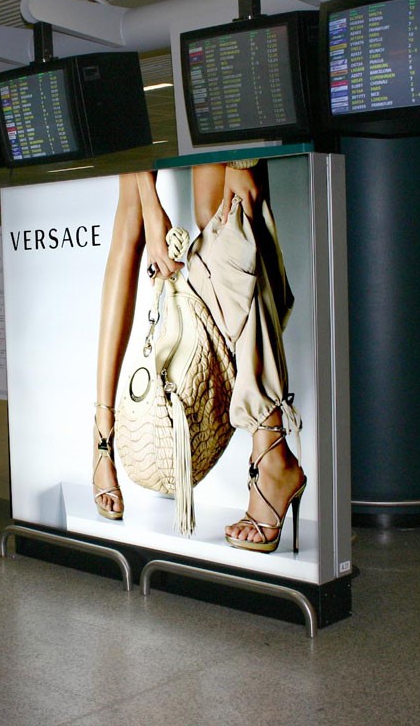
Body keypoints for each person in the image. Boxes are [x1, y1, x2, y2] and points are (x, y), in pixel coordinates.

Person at [92, 164, 306, 553]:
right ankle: (102, 433)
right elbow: (132, 137)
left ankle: (271, 449)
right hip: (152, 116)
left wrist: (243, 157)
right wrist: (153, 210)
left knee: (225, 222)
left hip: (209, 107)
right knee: (134, 218)